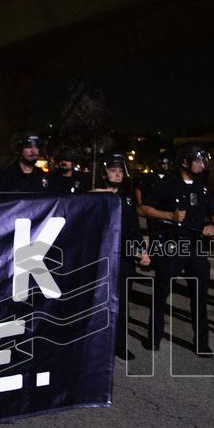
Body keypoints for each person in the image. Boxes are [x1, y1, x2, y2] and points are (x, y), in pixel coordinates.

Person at [140, 144, 214, 356]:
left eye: (203, 160)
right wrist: (170, 217)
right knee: (161, 293)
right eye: (198, 160)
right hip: (171, 245)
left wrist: (212, 225)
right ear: (185, 162)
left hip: (195, 247)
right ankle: (154, 337)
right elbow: (144, 208)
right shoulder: (168, 184)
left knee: (200, 296)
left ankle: (201, 342)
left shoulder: (202, 188)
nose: (202, 164)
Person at [92, 153, 149, 360]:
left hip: (123, 256)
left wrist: (142, 251)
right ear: (104, 173)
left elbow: (134, 228)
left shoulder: (127, 197)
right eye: (112, 170)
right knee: (99, 302)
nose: (117, 174)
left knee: (122, 303)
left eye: (120, 171)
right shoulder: (96, 196)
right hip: (101, 257)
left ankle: (120, 344)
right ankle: (96, 344)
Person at [2, 129, 48, 193]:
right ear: (19, 149)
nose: (33, 151)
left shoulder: (44, 176)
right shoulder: (6, 177)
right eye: (28, 146)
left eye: (37, 147)